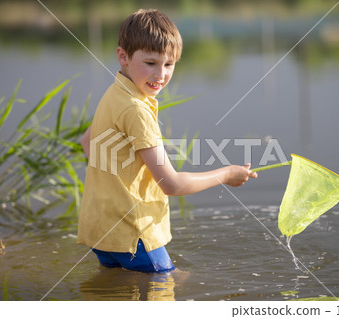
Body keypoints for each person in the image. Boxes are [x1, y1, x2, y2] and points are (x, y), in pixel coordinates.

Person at [77, 9, 257, 273]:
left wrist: (117, 183)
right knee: (170, 284)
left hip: (101, 228)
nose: (160, 74)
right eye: (150, 63)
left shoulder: (115, 92)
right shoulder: (137, 110)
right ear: (123, 56)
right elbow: (171, 184)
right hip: (134, 234)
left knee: (115, 289)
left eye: (169, 64)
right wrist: (227, 173)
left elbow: (86, 142)